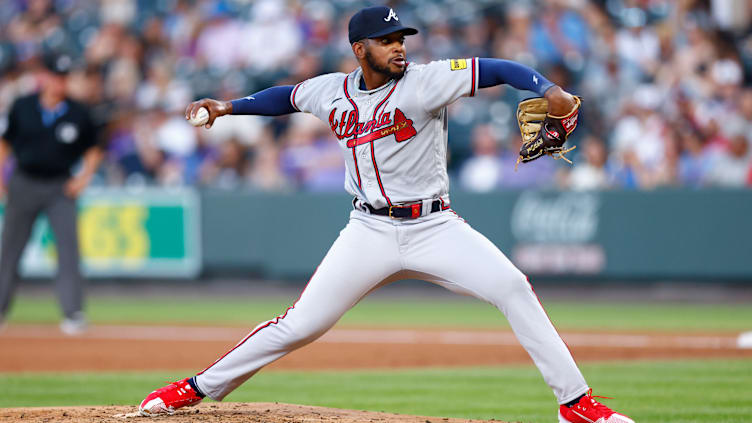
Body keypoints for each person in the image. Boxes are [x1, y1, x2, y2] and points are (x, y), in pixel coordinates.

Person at [139, 7, 634, 423]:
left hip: (434, 225)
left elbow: (499, 69)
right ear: (360, 49)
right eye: (387, 40)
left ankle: (575, 403)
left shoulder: (428, 81)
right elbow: (281, 98)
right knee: (301, 325)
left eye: (402, 39)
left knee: (512, 287)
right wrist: (227, 106)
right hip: (369, 230)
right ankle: (196, 388)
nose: (400, 48)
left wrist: (548, 89)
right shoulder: (330, 90)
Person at [0, 53, 104, 335]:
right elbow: (5, 144)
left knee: (68, 250)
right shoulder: (23, 107)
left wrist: (82, 179)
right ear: (43, 76)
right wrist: (2, 176)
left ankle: (73, 313)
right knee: (10, 249)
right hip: (24, 181)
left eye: (64, 77)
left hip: (60, 185)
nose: (59, 83)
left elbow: (94, 150)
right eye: (56, 76)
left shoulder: (78, 112)